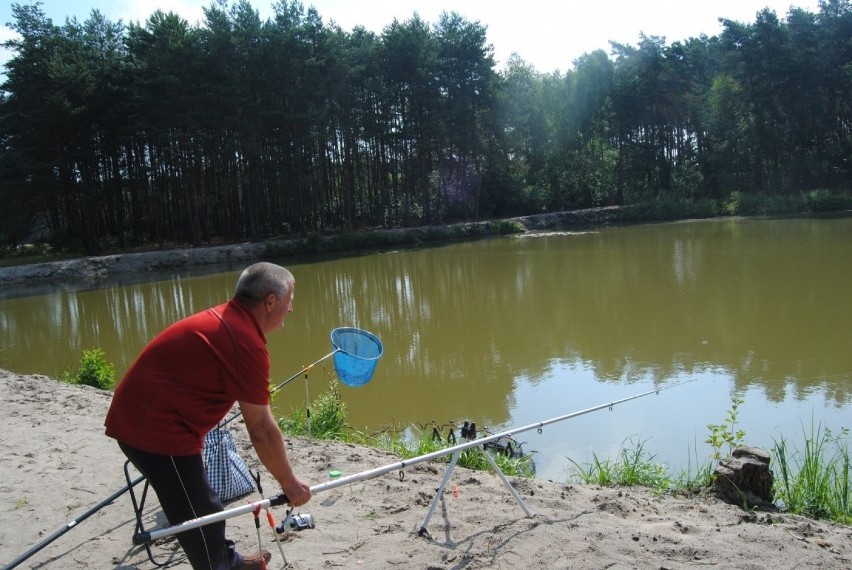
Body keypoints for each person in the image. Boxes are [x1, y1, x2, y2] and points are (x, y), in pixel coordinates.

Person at [105, 262, 312, 570]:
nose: (291, 308)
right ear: (270, 301)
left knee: (201, 504)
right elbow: (260, 428)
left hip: (152, 418)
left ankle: (231, 563)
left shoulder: (230, 320)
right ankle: (220, 566)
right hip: (155, 431)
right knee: (200, 515)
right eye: (289, 300)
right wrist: (289, 482)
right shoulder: (245, 342)